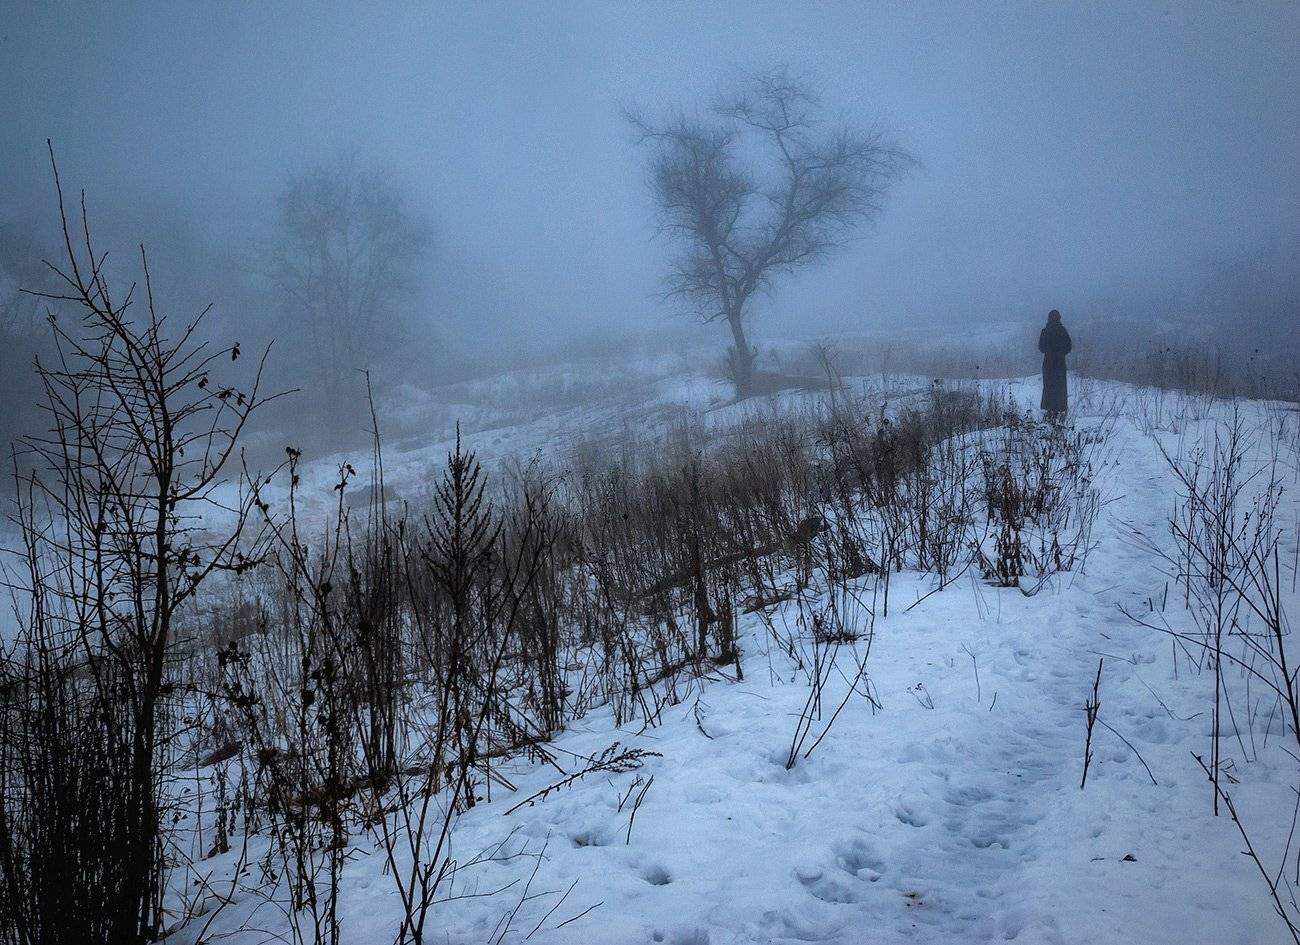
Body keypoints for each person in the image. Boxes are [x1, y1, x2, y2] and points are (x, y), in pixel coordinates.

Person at [1038, 309, 1072, 422]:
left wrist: (1050, 351)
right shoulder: (1063, 331)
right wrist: (1060, 353)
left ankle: (1049, 410)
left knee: (1048, 386)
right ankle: (1059, 409)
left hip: (1048, 363)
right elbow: (1069, 347)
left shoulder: (1045, 331)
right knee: (1060, 386)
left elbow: (1041, 348)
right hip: (1060, 363)